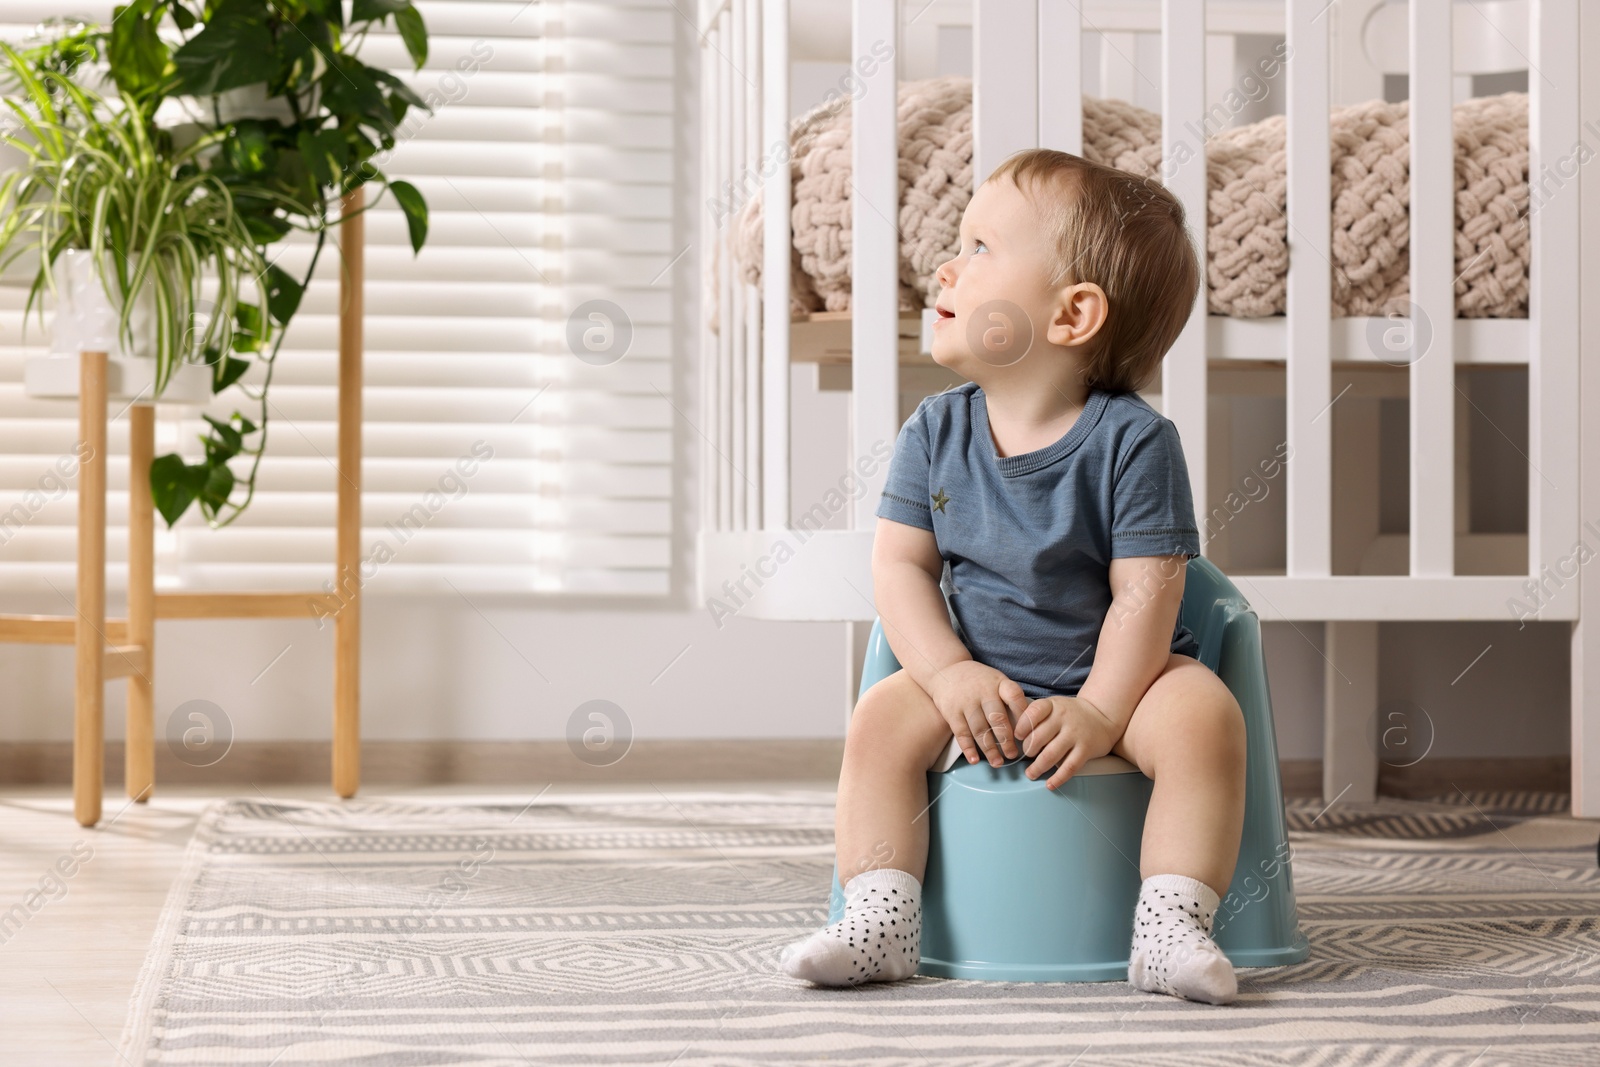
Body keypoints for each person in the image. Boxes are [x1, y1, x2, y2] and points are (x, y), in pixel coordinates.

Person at [777, 148, 1247, 1005]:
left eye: (983, 246)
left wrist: (1105, 708)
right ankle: (879, 917)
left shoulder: (1134, 441)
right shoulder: (932, 429)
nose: (947, 265)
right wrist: (947, 670)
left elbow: (1150, 592)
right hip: (974, 670)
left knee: (1206, 715)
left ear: (1072, 315)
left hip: (1119, 679)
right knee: (881, 717)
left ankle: (1172, 923)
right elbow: (901, 567)